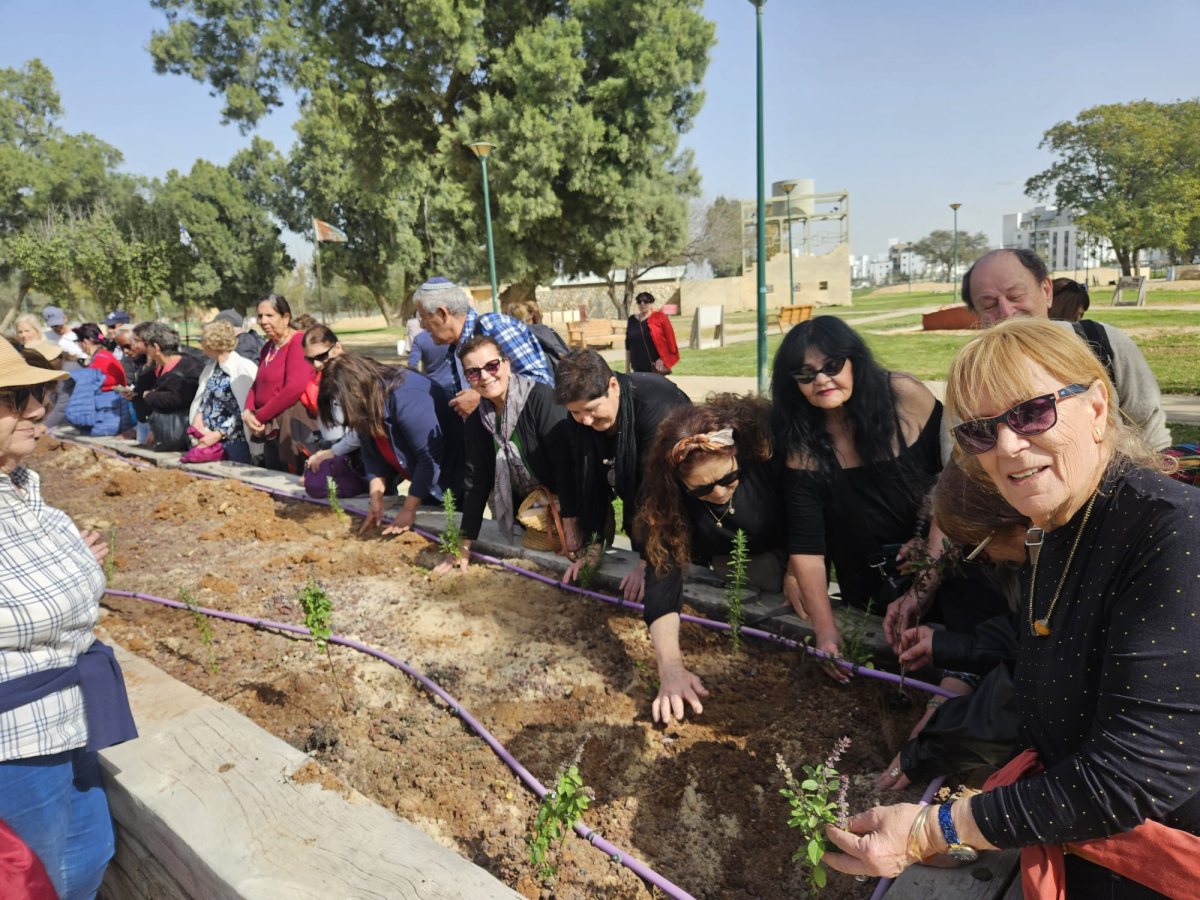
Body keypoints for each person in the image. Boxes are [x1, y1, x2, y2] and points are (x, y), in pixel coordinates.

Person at [823, 318, 1200, 899]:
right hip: (1091, 845)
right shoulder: (1057, 526)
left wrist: (936, 828)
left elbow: (1136, 772)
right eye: (980, 431)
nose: (1006, 446)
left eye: (1032, 413)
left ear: (1097, 406)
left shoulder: (1171, 534)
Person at [0, 338, 138, 899]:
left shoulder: (19, 485)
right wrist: (71, 569)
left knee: (86, 858)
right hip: (16, 744)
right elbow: (30, 608)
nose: (37, 409)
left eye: (35, 394)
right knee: (37, 881)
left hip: (68, 718)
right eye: (12, 399)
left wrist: (69, 562)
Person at [770, 316, 945, 680]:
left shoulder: (904, 396)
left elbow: (956, 480)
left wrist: (928, 562)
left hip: (941, 563)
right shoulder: (801, 442)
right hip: (866, 581)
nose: (821, 380)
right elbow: (807, 546)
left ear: (855, 360)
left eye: (832, 365)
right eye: (805, 374)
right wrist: (825, 632)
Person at [634, 396, 797, 724]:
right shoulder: (668, 498)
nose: (720, 493)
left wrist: (796, 569)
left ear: (735, 453)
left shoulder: (765, 456)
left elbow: (807, 517)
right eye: (702, 490)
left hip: (790, 550)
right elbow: (663, 576)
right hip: (733, 564)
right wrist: (671, 670)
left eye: (727, 478)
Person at [961, 248, 1170, 450]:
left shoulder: (1103, 343)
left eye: (1016, 296)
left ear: (1046, 291)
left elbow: (1151, 435)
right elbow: (963, 458)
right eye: (989, 305)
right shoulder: (971, 375)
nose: (1007, 312)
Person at [555, 349, 691, 601]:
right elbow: (588, 477)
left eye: (592, 409)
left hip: (680, 500)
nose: (585, 421)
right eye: (575, 413)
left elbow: (655, 492)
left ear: (613, 386)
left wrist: (647, 562)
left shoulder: (657, 409)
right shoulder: (582, 415)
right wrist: (593, 549)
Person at [439, 335, 578, 572]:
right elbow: (476, 481)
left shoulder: (541, 399)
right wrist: (463, 545)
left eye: (492, 366)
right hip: (532, 518)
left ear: (506, 364)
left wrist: (571, 526)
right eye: (473, 372)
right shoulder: (477, 422)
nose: (485, 376)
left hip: (571, 509)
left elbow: (566, 466)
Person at [318, 354, 462, 537]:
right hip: (425, 479)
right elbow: (372, 455)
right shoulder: (367, 403)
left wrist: (409, 509)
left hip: (453, 475)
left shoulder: (406, 397)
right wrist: (376, 497)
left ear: (356, 392)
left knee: (454, 531)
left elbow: (429, 458)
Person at [413, 276, 553, 419]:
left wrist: (482, 401)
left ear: (442, 313)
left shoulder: (493, 326)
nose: (422, 325)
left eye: (423, 317)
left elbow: (540, 383)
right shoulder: (456, 348)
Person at [242, 294, 317, 471]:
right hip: (269, 427)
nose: (263, 321)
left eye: (269, 315)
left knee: (291, 478)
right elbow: (258, 383)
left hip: (289, 427)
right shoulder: (268, 347)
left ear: (286, 318)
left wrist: (259, 417)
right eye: (260, 316)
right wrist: (248, 411)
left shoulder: (298, 342)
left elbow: (293, 388)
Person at [300, 326, 366, 499]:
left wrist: (332, 452)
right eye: (310, 359)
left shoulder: (351, 376)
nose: (317, 364)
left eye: (321, 356)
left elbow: (363, 428)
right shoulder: (328, 374)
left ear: (337, 346)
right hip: (339, 451)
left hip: (360, 459)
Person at [187, 320, 259, 464]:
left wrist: (219, 434)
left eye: (202, 340)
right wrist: (198, 417)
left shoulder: (243, 367)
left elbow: (246, 409)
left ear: (212, 343)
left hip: (234, 443)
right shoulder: (211, 367)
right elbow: (207, 398)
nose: (200, 344)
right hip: (208, 439)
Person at [140, 323, 205, 451]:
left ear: (156, 347)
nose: (146, 350)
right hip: (166, 431)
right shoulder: (161, 367)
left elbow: (180, 398)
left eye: (147, 346)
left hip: (185, 433)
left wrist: (150, 396)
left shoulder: (189, 367)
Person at [626, 291, 679, 375]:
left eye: (645, 301)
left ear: (651, 303)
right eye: (639, 301)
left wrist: (663, 359)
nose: (642, 304)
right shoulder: (632, 320)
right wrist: (627, 367)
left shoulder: (660, 317)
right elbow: (628, 345)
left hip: (655, 366)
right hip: (637, 366)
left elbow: (670, 340)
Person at [71, 324, 126, 390]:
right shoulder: (102, 355)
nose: (78, 345)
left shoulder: (100, 359)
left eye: (78, 341)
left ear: (85, 342)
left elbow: (92, 384)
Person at [407, 327, 454, 395]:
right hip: (453, 383)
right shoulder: (451, 335)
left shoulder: (420, 338)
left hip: (432, 385)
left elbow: (412, 364)